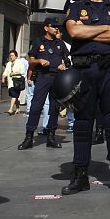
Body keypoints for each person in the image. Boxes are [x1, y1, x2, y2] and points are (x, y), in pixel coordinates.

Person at [62, 0, 110, 196]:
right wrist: (104, 29)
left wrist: (88, 30)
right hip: (84, 69)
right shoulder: (77, 8)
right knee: (82, 121)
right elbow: (74, 33)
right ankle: (80, 174)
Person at [17, 17, 69, 150]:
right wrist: (39, 61)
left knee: (54, 108)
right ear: (46, 28)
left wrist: (64, 64)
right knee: (36, 106)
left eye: (57, 26)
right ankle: (29, 137)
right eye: (53, 26)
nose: (56, 28)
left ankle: (51, 136)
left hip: (57, 78)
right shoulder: (38, 41)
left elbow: (67, 60)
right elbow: (31, 60)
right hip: (43, 76)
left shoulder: (60, 44)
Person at [1, 50, 26, 115]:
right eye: (10, 56)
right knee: (15, 96)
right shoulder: (9, 63)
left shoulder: (19, 62)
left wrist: (14, 73)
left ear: (16, 56)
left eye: (12, 55)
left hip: (17, 82)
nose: (11, 57)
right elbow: (6, 71)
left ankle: (11, 109)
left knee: (14, 95)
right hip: (10, 82)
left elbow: (23, 71)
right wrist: (3, 77)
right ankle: (18, 108)